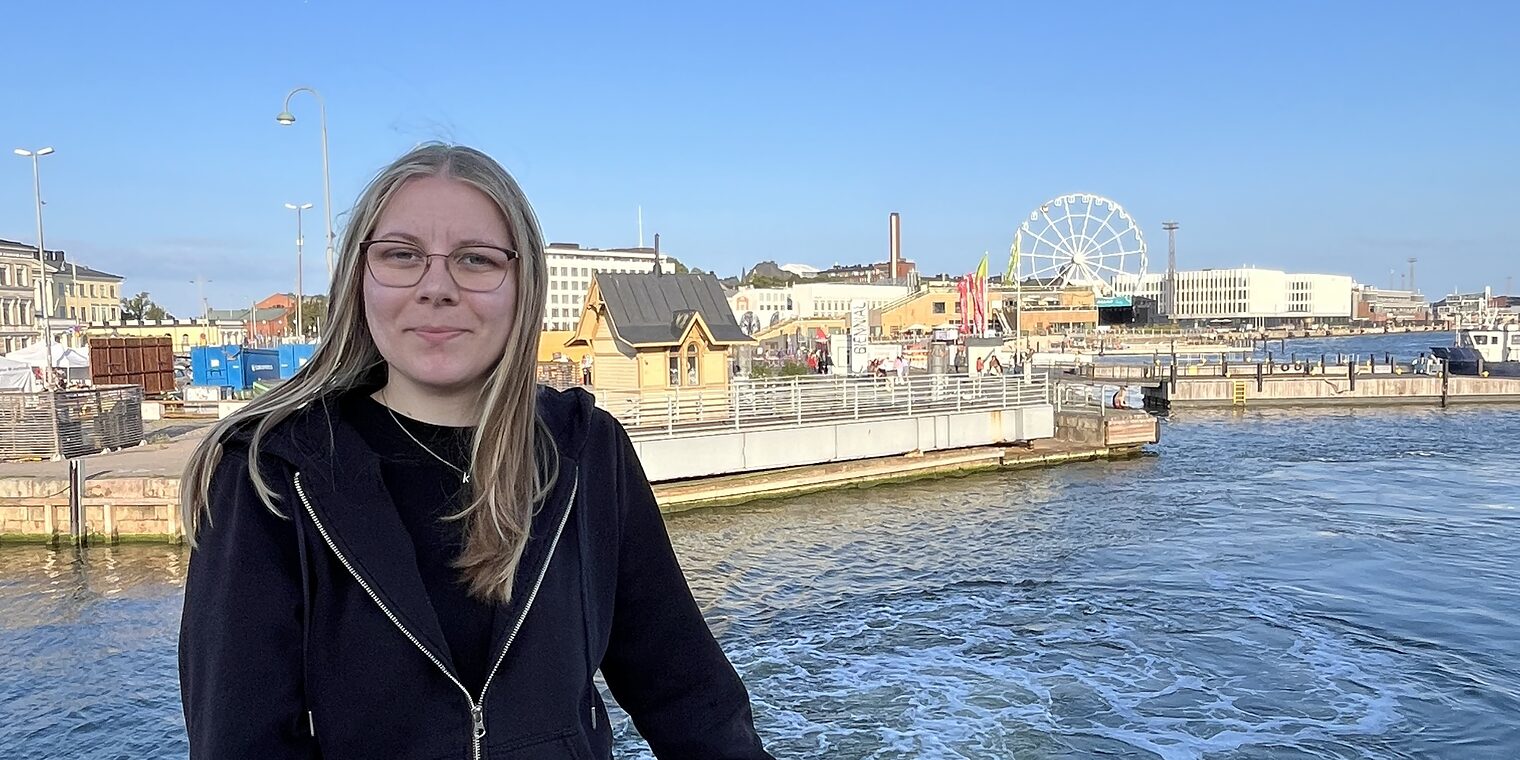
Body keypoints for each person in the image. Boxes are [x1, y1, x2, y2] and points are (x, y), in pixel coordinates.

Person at [178, 144, 772, 760]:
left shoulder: (585, 453)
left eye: (476, 260)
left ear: (523, 285)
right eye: (402, 255)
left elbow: (686, 691)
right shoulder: (272, 475)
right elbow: (239, 738)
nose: (437, 287)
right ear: (360, 277)